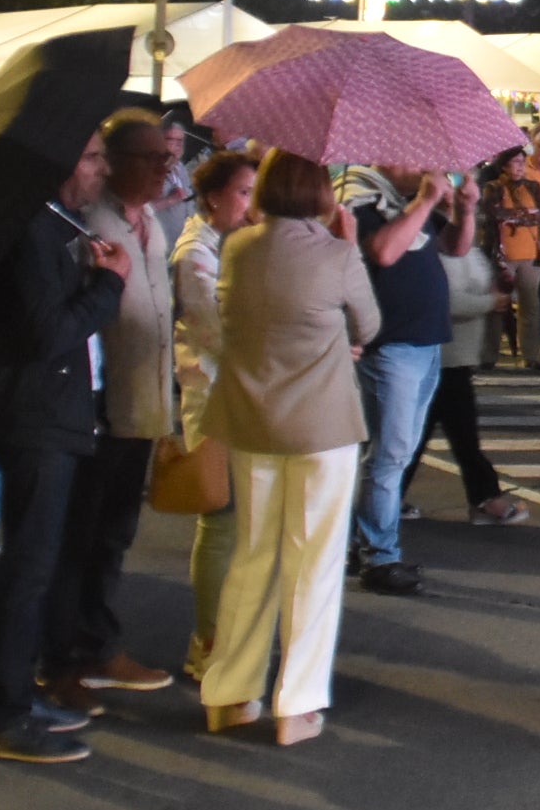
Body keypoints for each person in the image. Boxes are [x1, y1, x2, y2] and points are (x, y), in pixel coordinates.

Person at [198, 151, 382, 745]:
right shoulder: (336, 254)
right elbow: (369, 324)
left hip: (251, 418)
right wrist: (345, 245)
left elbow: (230, 318)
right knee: (313, 563)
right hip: (323, 425)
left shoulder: (238, 247)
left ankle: (231, 693)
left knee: (253, 555)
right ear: (321, 194)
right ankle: (297, 704)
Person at [0, 127, 130, 765]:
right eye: (90, 157)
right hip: (35, 412)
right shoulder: (28, 230)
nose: (100, 169)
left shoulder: (44, 224)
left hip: (41, 409)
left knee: (35, 563)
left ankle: (17, 697)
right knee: (28, 568)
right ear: (59, 165)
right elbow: (49, 332)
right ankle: (5, 713)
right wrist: (108, 286)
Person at [55, 109, 180, 701]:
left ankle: (86, 643)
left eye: (168, 156)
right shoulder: (92, 225)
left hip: (142, 401)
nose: (166, 166)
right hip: (104, 405)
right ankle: (84, 649)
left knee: (114, 532)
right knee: (90, 534)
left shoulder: (150, 219)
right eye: (153, 157)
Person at [349, 166, 473, 596]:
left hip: (426, 340)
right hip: (392, 340)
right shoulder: (362, 194)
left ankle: (356, 539)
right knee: (389, 452)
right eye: (414, 156)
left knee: (396, 452)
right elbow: (383, 252)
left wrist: (466, 208)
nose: (425, 166)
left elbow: (455, 246)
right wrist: (422, 202)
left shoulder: (408, 201)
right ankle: (379, 556)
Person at [171, 149, 258, 677]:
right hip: (213, 398)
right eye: (243, 193)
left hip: (239, 396)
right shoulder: (195, 254)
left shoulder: (230, 244)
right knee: (221, 519)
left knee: (240, 523)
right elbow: (221, 334)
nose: (251, 205)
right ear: (212, 197)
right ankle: (208, 641)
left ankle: (225, 635)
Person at [425, 208, 529, 528]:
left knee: (420, 439)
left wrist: (500, 285)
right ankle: (487, 500)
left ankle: (385, 500)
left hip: (459, 357)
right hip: (443, 355)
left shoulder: (468, 248)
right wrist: (490, 303)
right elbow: (444, 301)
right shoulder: (436, 247)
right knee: (463, 437)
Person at [489, 146, 540, 371]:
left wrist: (516, 217)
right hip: (503, 255)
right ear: (504, 165)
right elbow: (494, 213)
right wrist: (527, 215)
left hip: (529, 254)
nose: (519, 167)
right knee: (497, 306)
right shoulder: (494, 187)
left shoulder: (532, 186)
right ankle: (489, 354)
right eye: (515, 162)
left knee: (531, 306)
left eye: (522, 162)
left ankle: (531, 355)